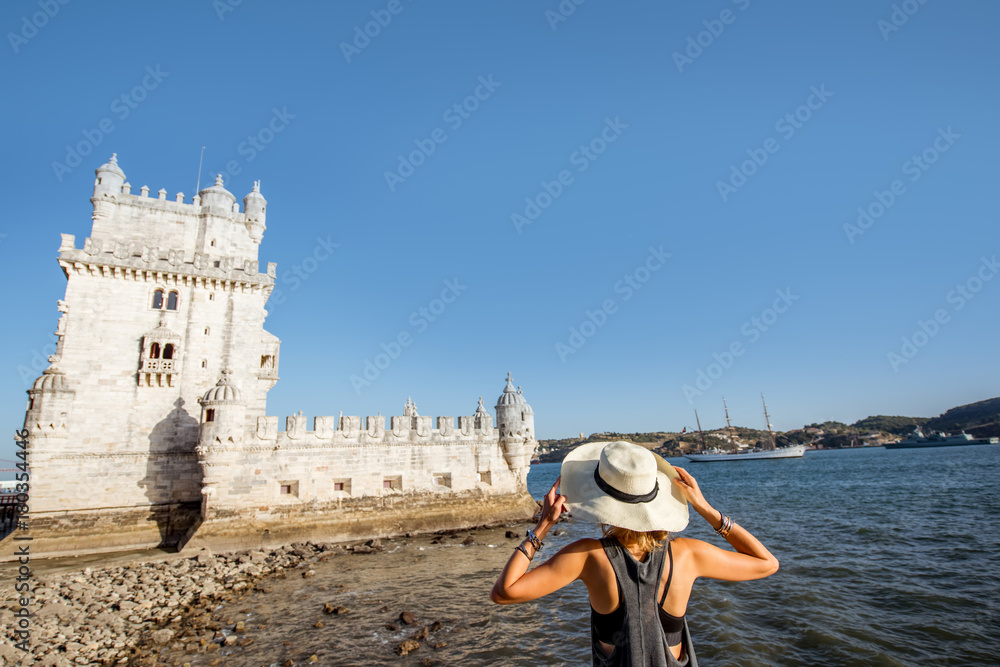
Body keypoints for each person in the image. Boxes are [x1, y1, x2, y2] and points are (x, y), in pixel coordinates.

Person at [490, 441, 779, 666]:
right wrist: (706, 509)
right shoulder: (688, 555)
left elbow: (504, 592)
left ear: (600, 500)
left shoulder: (588, 556)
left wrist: (542, 526)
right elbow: (766, 563)